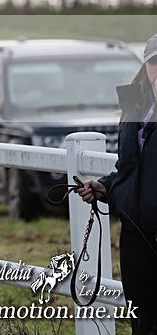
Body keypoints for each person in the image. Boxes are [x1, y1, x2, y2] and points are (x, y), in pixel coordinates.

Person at [77, 34, 157, 334]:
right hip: (136, 234)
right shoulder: (135, 111)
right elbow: (130, 170)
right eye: (155, 62)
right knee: (142, 322)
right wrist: (106, 188)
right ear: (146, 67)